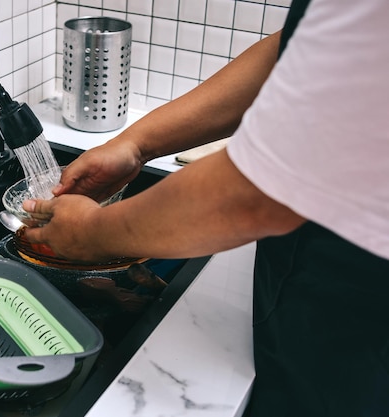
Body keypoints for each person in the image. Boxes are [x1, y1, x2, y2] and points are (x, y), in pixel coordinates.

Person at [22, 0, 389, 415]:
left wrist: (91, 234)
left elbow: (253, 196)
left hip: (360, 318)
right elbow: (299, 51)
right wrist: (135, 144)